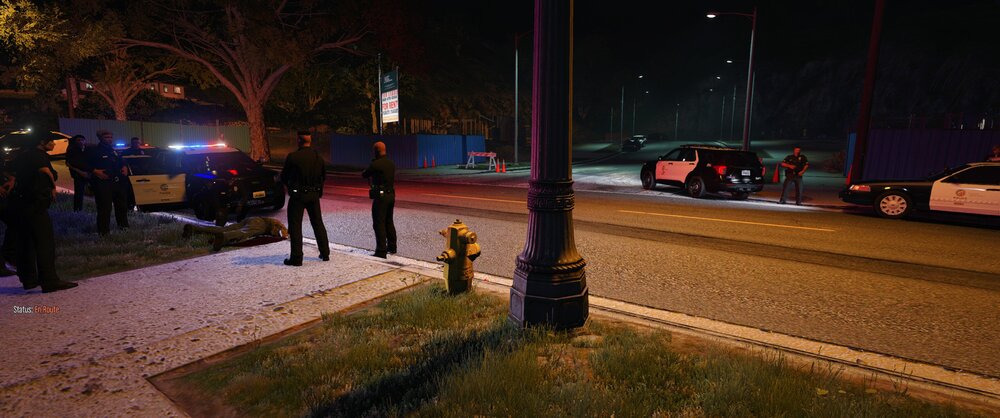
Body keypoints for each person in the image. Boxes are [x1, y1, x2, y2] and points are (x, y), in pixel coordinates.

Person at [10, 134, 77, 292]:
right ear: (41, 142)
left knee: (25, 242)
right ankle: (49, 280)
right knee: (44, 242)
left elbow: (12, 173)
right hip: (35, 204)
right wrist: (53, 187)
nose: (54, 143)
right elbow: (45, 171)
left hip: (20, 203)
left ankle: (29, 279)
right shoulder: (39, 156)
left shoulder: (21, 156)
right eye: (51, 140)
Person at [279, 130, 329, 266]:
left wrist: (290, 186)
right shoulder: (318, 157)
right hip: (313, 195)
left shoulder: (293, 157)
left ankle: (296, 257)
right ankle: (325, 253)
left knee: (295, 226)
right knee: (318, 223)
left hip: (298, 195)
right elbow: (323, 176)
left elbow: (284, 176)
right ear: (310, 141)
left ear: (298, 141)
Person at [87, 129, 130, 235]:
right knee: (105, 208)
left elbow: (121, 160)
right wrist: (95, 171)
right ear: (100, 138)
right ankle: (104, 233)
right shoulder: (94, 150)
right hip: (103, 183)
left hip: (117, 182)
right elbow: (85, 163)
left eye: (111, 137)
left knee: (121, 206)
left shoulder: (113, 150)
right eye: (107, 137)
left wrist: (124, 166)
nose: (110, 139)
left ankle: (124, 228)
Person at [362, 141, 396, 258]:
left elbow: (365, 174)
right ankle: (392, 247)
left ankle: (381, 251)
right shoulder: (391, 163)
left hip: (380, 197)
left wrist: (372, 163)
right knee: (389, 221)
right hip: (391, 195)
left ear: (376, 151)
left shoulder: (375, 164)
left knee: (378, 223)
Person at [182, 217, 289, 251]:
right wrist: (283, 236)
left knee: (223, 228)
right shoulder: (279, 226)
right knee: (244, 233)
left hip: (252, 219)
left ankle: (195, 229)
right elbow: (281, 234)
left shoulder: (277, 224)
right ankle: (224, 238)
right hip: (260, 223)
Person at [65, 134, 90, 211]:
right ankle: (77, 210)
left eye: (82, 140)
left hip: (88, 174)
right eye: (78, 140)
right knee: (79, 193)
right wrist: (81, 172)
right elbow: (69, 163)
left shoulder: (87, 149)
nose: (81, 142)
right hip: (78, 175)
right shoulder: (72, 150)